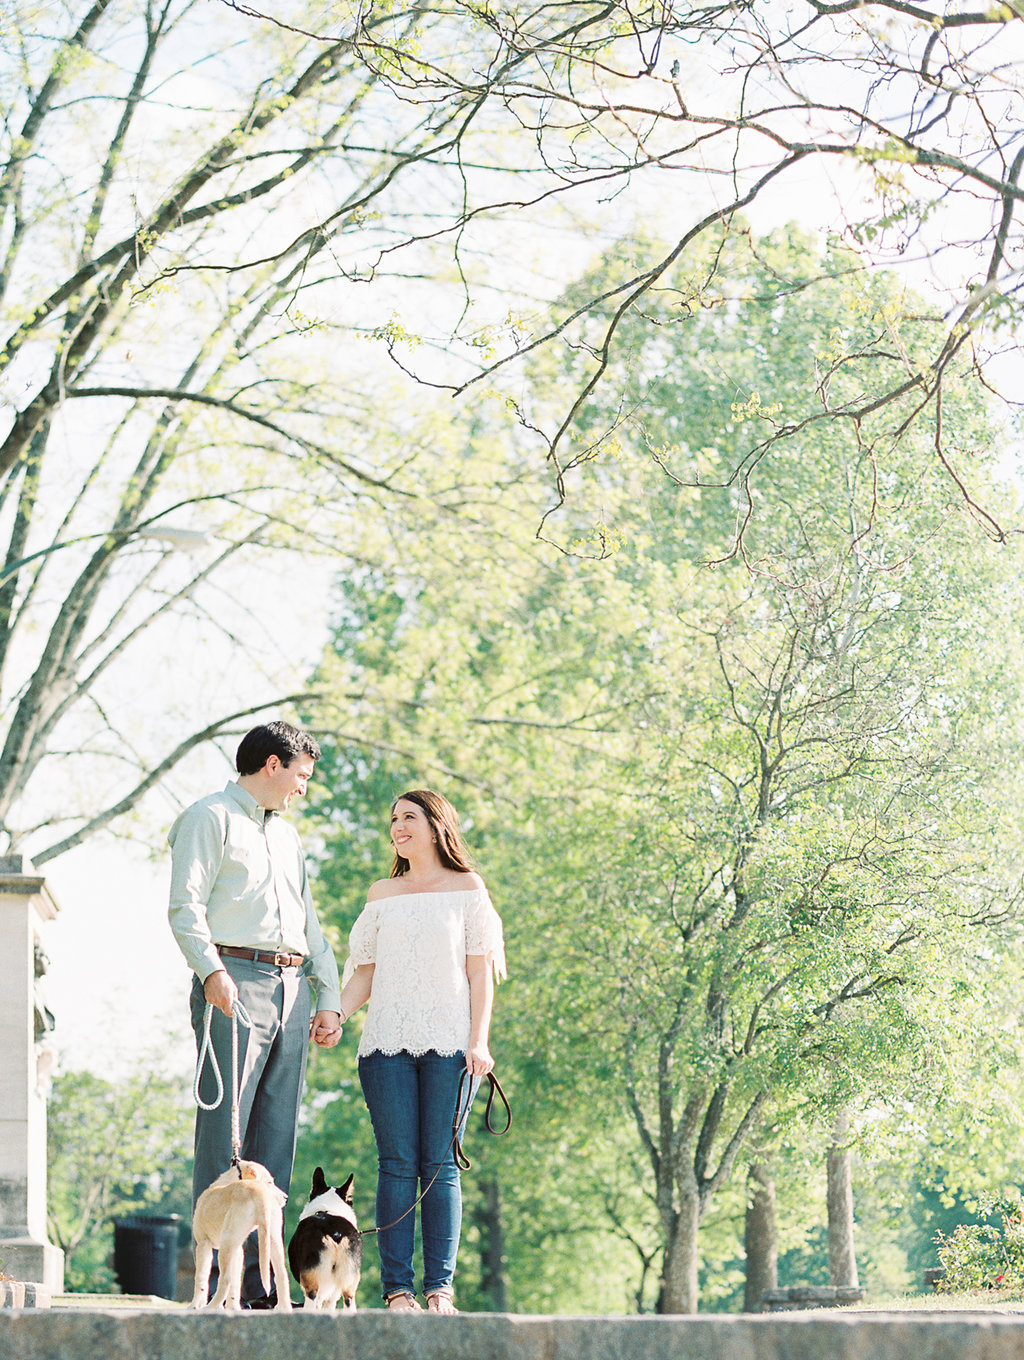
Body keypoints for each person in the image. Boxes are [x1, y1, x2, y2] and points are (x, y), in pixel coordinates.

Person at [168, 720, 342, 1307]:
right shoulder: (208, 817)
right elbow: (185, 906)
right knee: (227, 1138)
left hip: (293, 987)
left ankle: (265, 1289)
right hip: (233, 981)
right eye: (301, 775)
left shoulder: (289, 838)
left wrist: (329, 997)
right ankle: (216, 1288)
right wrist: (211, 972)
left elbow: (310, 924)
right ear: (272, 765)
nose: (304, 788)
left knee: (276, 1137)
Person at [336, 788, 505, 1314]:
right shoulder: (381, 893)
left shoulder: (467, 889)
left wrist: (480, 1040)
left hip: (452, 1045)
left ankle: (440, 1289)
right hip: (385, 1042)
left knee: (440, 1165)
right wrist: (335, 1016)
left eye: (409, 817)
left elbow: (480, 971)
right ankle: (398, 1290)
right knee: (396, 1163)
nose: (398, 828)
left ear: (436, 826)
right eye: (393, 820)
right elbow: (365, 972)